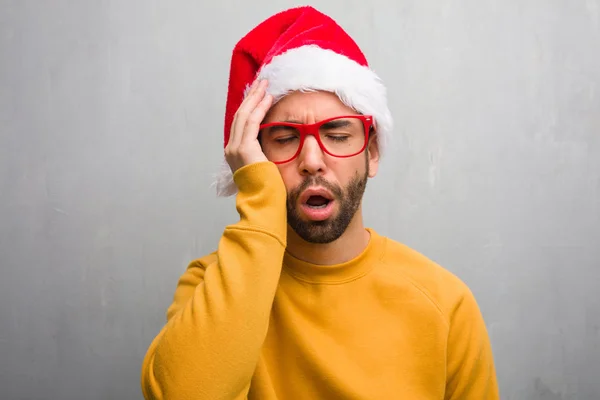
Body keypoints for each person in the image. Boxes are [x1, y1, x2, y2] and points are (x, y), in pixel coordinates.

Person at [140, 6, 500, 400]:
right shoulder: (209, 285)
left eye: (338, 134)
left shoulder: (446, 305)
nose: (311, 161)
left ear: (373, 152)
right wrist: (259, 195)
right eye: (284, 138)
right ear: (253, 155)